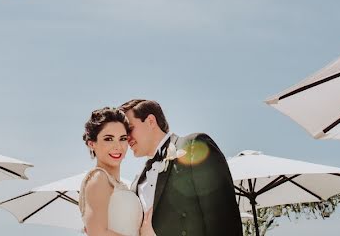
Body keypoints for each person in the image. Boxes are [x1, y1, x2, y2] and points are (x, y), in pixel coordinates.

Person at [119, 99, 242, 236]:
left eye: (129, 129)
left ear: (150, 121)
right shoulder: (136, 183)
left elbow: (223, 218)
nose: (126, 138)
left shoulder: (194, 146)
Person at [79, 107, 144, 236]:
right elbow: (97, 233)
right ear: (92, 144)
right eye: (108, 139)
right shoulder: (98, 178)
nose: (117, 146)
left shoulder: (119, 184)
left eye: (122, 138)